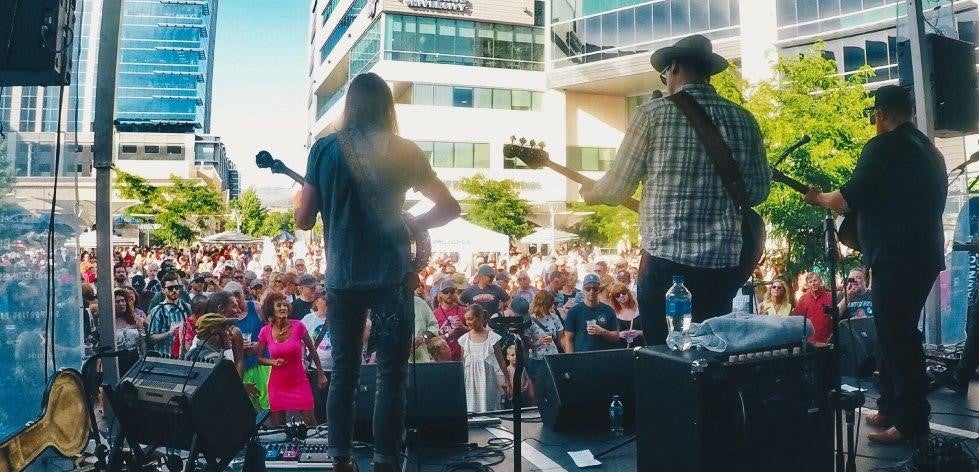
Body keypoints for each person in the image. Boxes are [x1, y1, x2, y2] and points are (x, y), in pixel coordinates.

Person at [293, 72, 460, 471]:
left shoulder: (324, 149)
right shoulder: (405, 150)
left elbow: (302, 220)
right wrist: (412, 223)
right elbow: (449, 207)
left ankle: (341, 462)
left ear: (349, 105)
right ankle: (387, 462)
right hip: (391, 278)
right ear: (388, 106)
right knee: (391, 376)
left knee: (345, 374)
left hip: (343, 279)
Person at [580, 34, 770, 345]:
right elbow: (760, 191)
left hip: (666, 263)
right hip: (722, 264)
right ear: (708, 71)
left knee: (664, 354)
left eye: (664, 74)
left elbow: (616, 188)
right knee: (709, 349)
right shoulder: (744, 119)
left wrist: (592, 193)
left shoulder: (652, 114)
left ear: (674, 67)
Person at [804, 85, 946, 444]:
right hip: (921, 255)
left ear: (881, 114)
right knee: (890, 331)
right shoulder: (930, 150)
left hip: (897, 258)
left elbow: (846, 199)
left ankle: (912, 422)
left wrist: (817, 197)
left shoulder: (884, 146)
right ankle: (889, 406)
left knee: (899, 336)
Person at [257, 292, 327, 426]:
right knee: (278, 426)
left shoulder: (298, 326)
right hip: (277, 385)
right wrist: (272, 362)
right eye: (279, 305)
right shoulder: (265, 331)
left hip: (299, 382)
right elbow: (259, 358)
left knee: (310, 422)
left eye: (285, 304)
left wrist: (321, 373)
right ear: (271, 309)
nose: (283, 308)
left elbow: (312, 350)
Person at [457, 304, 510, 413]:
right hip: (470, 382)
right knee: (471, 410)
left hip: (488, 380)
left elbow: (501, 361)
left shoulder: (492, 338)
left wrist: (507, 381)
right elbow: (462, 363)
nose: (467, 322)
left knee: (489, 408)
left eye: (470, 319)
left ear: (480, 317)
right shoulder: (464, 340)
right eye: (466, 319)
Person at [560, 274, 620, 353]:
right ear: (583, 289)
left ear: (599, 289)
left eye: (595, 288)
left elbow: (616, 336)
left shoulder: (608, 310)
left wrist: (602, 331)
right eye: (588, 288)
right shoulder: (574, 311)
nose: (591, 291)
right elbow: (568, 339)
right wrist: (571, 360)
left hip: (603, 357)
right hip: (581, 358)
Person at [146, 272, 191, 356]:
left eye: (176, 287)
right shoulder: (157, 311)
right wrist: (169, 333)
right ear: (163, 290)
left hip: (183, 357)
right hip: (165, 357)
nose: (174, 290)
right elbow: (151, 338)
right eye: (170, 288)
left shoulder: (187, 308)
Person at [522, 290, 562, 381]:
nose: (552, 306)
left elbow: (560, 337)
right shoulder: (530, 320)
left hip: (553, 356)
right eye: (550, 304)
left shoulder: (554, 317)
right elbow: (527, 344)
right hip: (537, 359)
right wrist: (539, 342)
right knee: (539, 385)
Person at [792, 272, 833, 343]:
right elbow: (797, 319)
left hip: (826, 339)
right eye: (810, 282)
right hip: (809, 341)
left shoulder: (830, 297)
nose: (813, 283)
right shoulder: (803, 299)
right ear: (807, 285)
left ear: (820, 281)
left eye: (815, 280)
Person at [433, 282, 467, 362]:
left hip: (461, 355)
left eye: (451, 292)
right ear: (440, 294)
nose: (449, 295)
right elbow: (433, 340)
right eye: (445, 292)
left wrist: (463, 327)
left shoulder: (463, 311)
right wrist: (448, 334)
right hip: (442, 357)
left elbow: (474, 331)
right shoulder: (435, 313)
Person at [608, 282, 643, 348]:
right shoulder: (613, 314)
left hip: (640, 348)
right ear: (615, 298)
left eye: (623, 292)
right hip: (621, 349)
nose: (621, 296)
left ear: (628, 293)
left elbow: (649, 331)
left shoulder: (639, 310)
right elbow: (608, 334)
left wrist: (638, 333)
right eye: (617, 295)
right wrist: (619, 335)